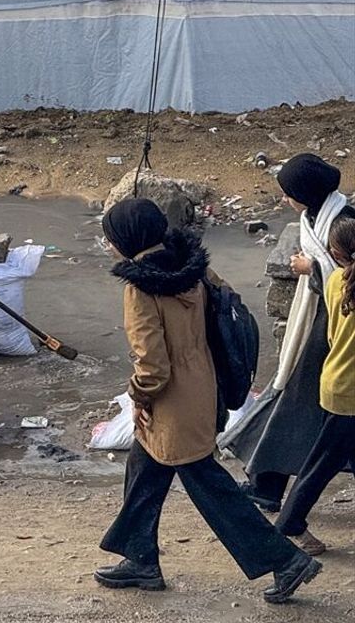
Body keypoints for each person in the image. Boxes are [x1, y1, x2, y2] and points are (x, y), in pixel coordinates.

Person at [94, 199, 320, 604]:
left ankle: (286, 561)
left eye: (110, 237)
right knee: (144, 470)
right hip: (204, 388)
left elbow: (152, 366)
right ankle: (139, 557)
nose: (108, 244)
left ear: (126, 240)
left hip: (171, 405)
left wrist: (139, 397)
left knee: (214, 490)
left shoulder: (140, 288)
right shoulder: (192, 267)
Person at [221, 154, 353, 532]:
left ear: (304, 193)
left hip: (331, 333)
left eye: (287, 193)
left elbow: (342, 278)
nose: (283, 201)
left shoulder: (343, 224)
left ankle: (274, 494)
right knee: (303, 412)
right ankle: (269, 485)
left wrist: (312, 269)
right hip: (320, 327)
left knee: (298, 409)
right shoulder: (319, 217)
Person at [274, 215, 355, 553]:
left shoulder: (337, 282)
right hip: (349, 395)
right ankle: (289, 524)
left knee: (328, 458)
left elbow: (334, 333)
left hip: (335, 384)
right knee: (322, 464)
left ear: (335, 255)